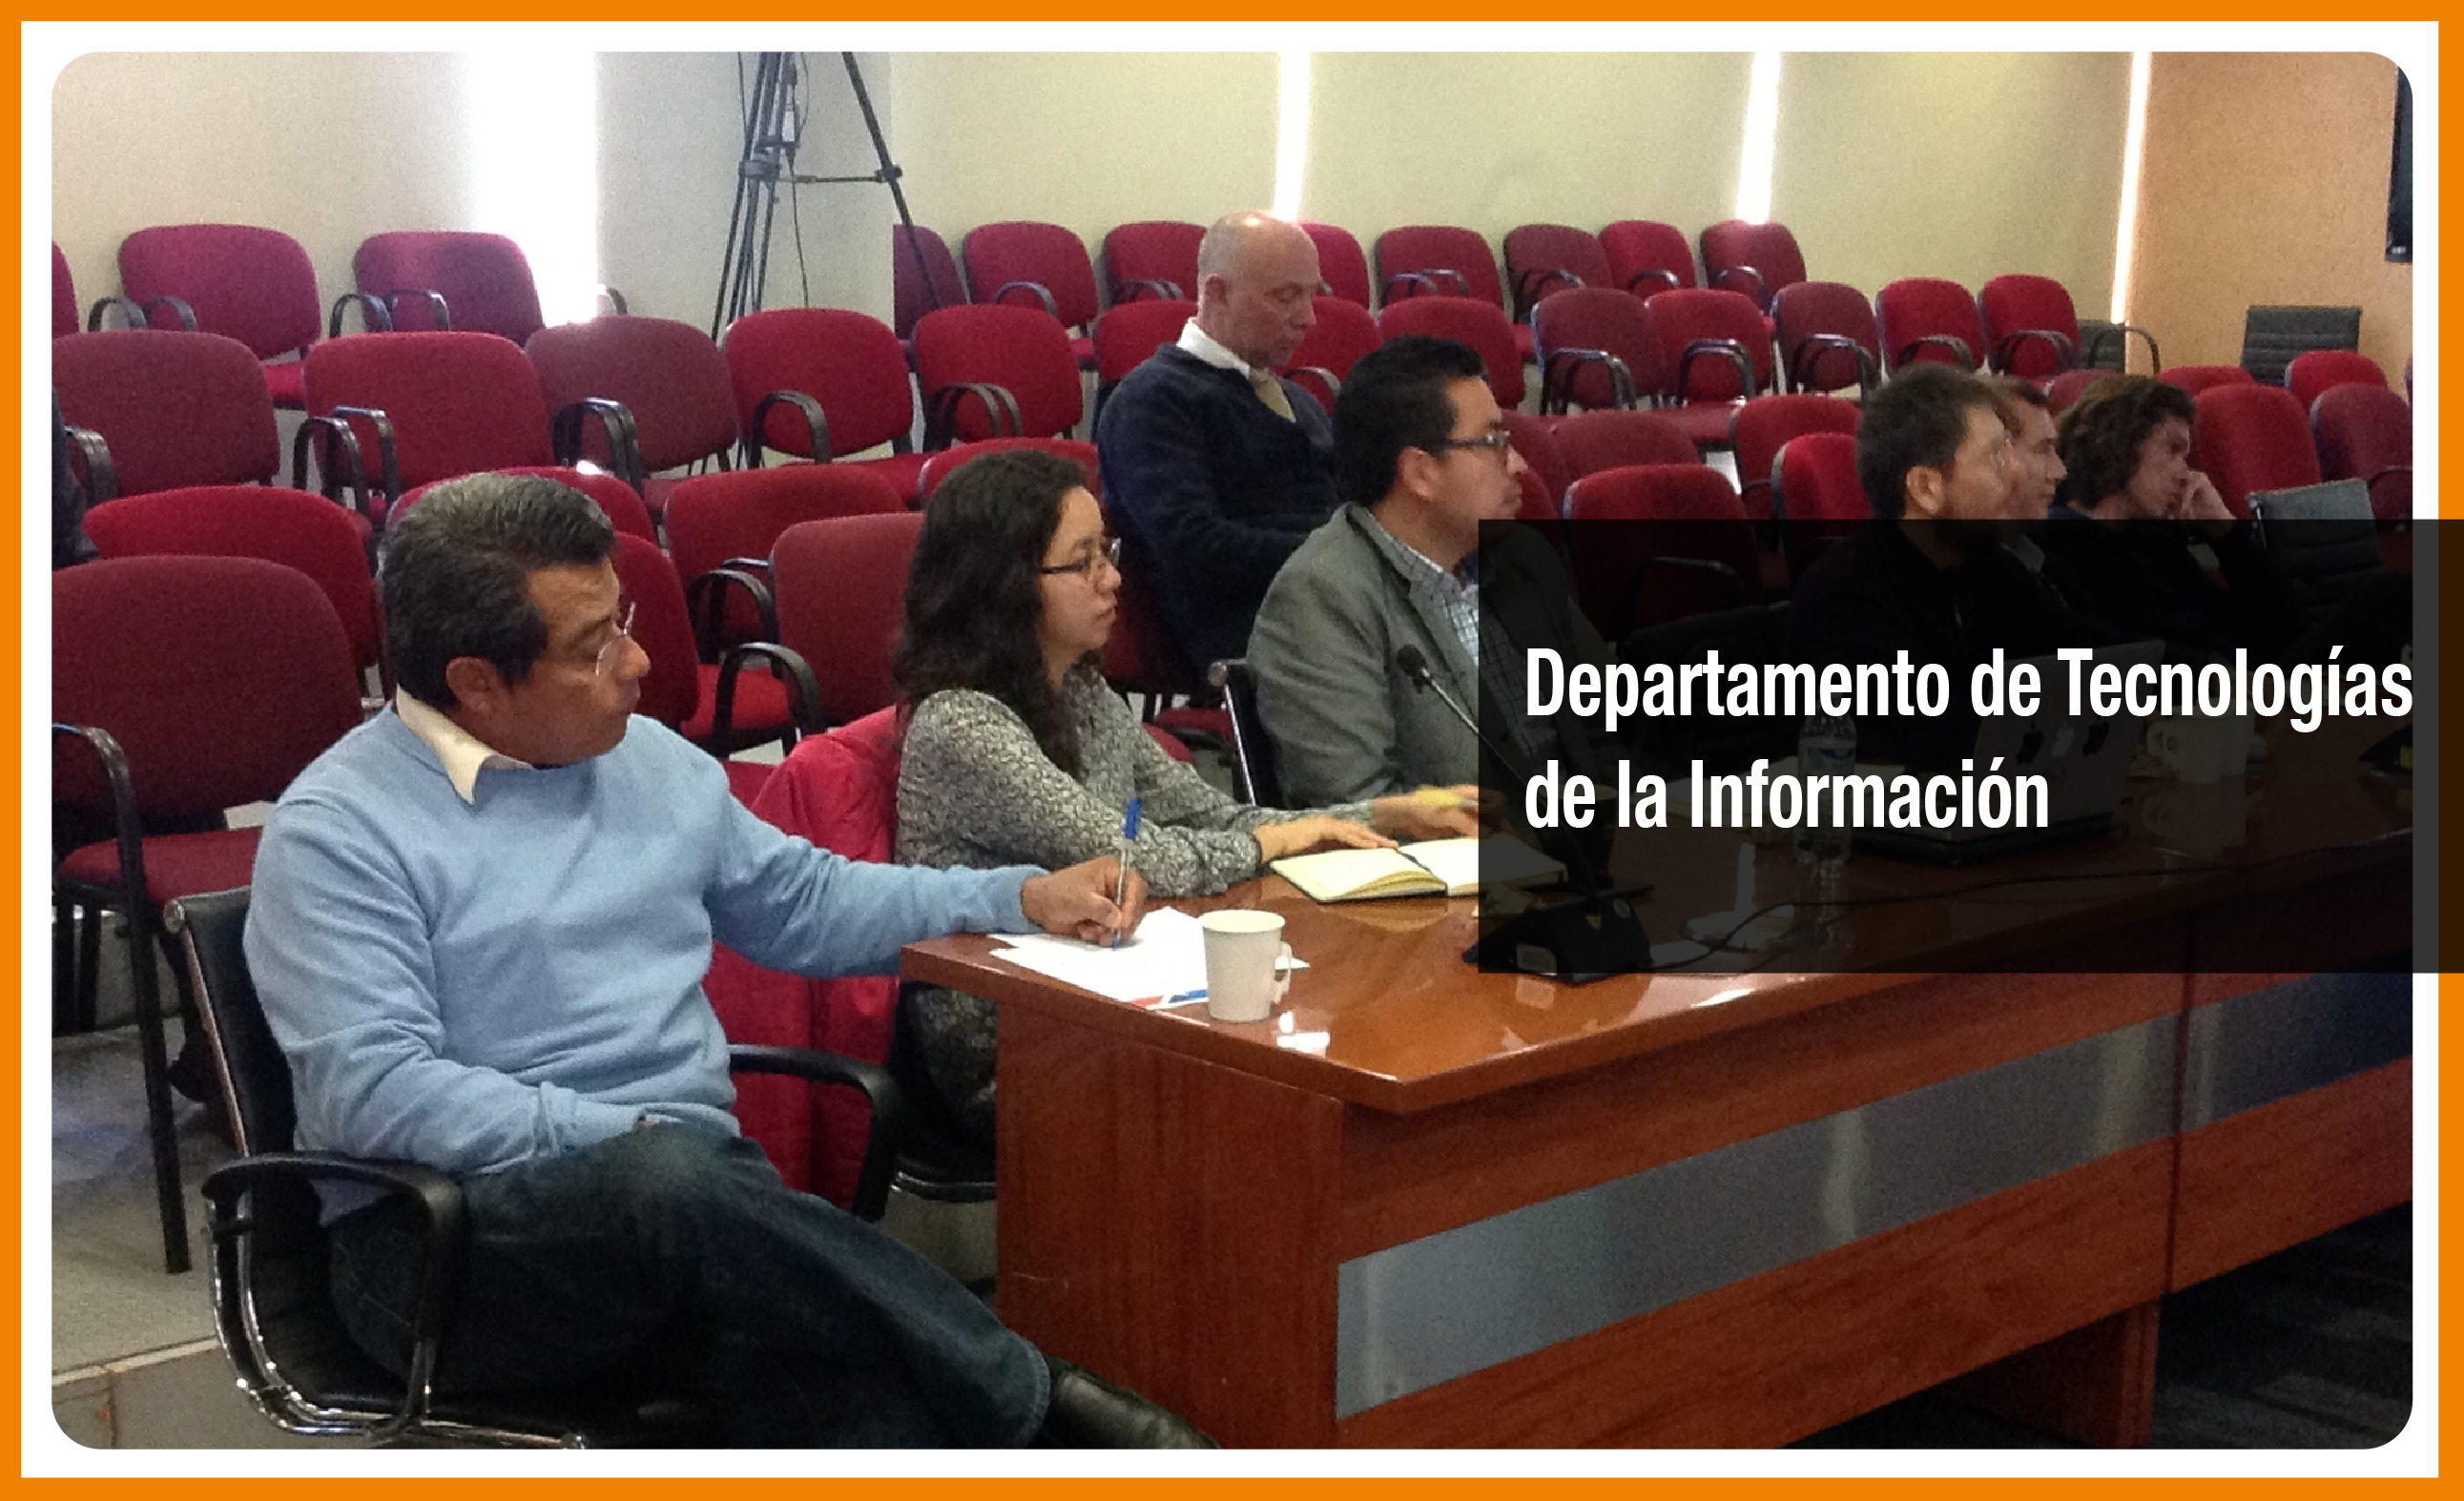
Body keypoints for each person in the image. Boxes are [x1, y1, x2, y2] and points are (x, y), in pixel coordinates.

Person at [242, 472, 1209, 1449]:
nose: (639, 661)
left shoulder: (644, 758)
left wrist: (1014, 895)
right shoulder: (341, 831)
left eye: (621, 618)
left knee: (862, 1393)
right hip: (443, 1248)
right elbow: (378, 1091)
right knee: (680, 1193)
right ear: (477, 682)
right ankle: (1045, 1403)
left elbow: (807, 902)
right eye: (595, 647)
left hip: (698, 1216)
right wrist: (627, 1132)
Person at [893, 449, 1478, 1139]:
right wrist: (1270, 841)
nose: (1112, 579)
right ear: (1002, 583)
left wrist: (1376, 815)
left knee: (1331, 1026)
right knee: (1287, 1080)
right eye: (1082, 562)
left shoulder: (1082, 693)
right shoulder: (961, 723)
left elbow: (1209, 814)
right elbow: (1134, 857)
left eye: (1104, 551)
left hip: (1120, 988)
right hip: (1014, 1038)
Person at [1247, 335, 1622, 809]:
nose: (1520, 464)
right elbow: (1356, 807)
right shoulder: (1321, 597)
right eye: (1494, 443)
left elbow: (1609, 721)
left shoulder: (1519, 556)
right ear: (1420, 472)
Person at [1788, 364, 2122, 765]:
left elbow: (2085, 647)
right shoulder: (1846, 599)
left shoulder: (1984, 565)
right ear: (1927, 488)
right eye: (1996, 457)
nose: (2014, 474)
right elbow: (1941, 738)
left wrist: (2200, 674)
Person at [1096, 211, 1339, 675]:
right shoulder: (1153, 401)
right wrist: (1341, 556)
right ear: (1216, 292)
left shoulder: (1298, 398)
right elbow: (1197, 546)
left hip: (1338, 619)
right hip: (1261, 643)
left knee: (1507, 638)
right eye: (1286, 297)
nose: (1307, 319)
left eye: (1312, 296)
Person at [2042, 374, 2407, 665]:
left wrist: (2225, 532)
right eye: (2172, 450)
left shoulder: (2149, 537)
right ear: (2118, 445)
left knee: (2395, 602)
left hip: (2251, 686)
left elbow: (2286, 632)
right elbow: (2167, 652)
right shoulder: (2068, 542)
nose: (2185, 473)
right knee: (2392, 598)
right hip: (2212, 705)